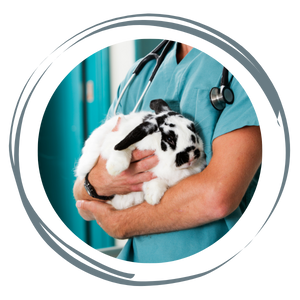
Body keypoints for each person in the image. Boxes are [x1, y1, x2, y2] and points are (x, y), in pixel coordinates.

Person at [73, 39, 264, 265]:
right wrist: (96, 182)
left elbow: (217, 197)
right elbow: (82, 201)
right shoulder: (139, 75)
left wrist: (122, 222)